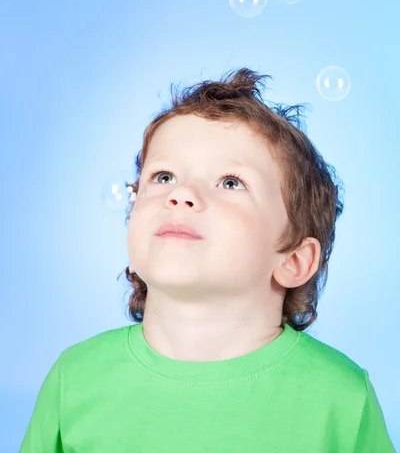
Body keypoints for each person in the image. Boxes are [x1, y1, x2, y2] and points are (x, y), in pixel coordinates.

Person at [19, 67, 396, 452]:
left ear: (294, 260)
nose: (181, 194)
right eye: (163, 176)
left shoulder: (342, 399)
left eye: (231, 182)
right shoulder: (75, 380)